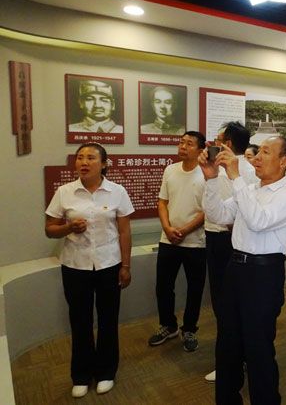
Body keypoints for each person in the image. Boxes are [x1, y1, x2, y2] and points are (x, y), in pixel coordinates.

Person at [199, 135, 286, 405]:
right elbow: (218, 215)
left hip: (264, 274)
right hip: (235, 269)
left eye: (265, 152)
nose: (256, 158)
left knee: (258, 346)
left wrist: (235, 177)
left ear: (283, 161)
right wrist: (211, 179)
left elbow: (258, 220)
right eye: (257, 152)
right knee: (228, 342)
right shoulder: (250, 189)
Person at [45, 143, 134, 398]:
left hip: (109, 264)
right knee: (80, 320)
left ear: (104, 164)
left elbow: (124, 231)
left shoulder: (117, 191)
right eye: (80, 157)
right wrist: (68, 227)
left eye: (91, 158)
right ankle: (81, 375)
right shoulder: (65, 192)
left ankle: (106, 372)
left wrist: (126, 266)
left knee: (108, 320)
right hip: (75, 265)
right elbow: (50, 229)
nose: (84, 162)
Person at [203, 122, 259, 383]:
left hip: (232, 241)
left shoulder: (245, 172)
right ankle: (233, 359)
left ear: (228, 144)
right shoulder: (218, 168)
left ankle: (234, 362)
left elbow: (247, 212)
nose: (213, 144)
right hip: (216, 237)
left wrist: (233, 224)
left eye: (218, 140)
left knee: (229, 305)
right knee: (224, 304)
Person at [147, 131, 207, 352]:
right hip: (168, 240)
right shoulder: (170, 170)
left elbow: (207, 210)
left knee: (195, 288)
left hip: (196, 243)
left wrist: (184, 229)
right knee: (163, 286)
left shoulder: (207, 173)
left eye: (189, 144)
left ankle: (189, 329)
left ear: (200, 149)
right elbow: (162, 202)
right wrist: (167, 228)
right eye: (181, 142)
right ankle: (168, 325)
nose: (183, 146)